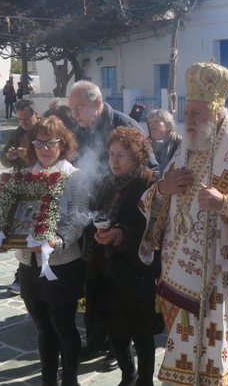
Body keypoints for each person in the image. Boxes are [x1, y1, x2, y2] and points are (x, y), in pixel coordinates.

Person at [139, 61, 228, 386]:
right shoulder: (183, 153)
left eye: (197, 114)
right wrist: (163, 189)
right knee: (183, 352)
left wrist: (224, 203)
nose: (189, 120)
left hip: (219, 283)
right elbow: (151, 203)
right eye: (187, 113)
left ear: (216, 116)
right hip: (179, 277)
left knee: (216, 359)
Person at [69, 80, 152, 365]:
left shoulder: (123, 124)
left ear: (96, 103)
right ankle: (96, 340)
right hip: (97, 209)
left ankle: (120, 350)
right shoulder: (80, 129)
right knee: (96, 287)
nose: (75, 114)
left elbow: (149, 166)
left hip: (126, 217)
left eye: (79, 107)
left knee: (120, 294)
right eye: (72, 108)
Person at [13, 116, 90, 386]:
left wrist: (56, 240)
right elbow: (14, 217)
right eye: (38, 143)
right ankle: (48, 380)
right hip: (29, 265)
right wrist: (2, 236)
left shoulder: (76, 177)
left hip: (62, 264)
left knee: (63, 326)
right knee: (43, 328)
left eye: (51, 142)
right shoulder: (24, 177)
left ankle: (69, 380)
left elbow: (78, 219)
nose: (44, 148)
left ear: (63, 145)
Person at [85, 127, 163, 386]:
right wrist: (98, 231)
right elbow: (93, 214)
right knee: (114, 330)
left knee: (140, 332)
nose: (114, 161)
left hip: (135, 270)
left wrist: (121, 234)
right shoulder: (105, 182)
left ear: (137, 156)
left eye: (121, 155)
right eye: (111, 154)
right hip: (106, 268)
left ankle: (145, 381)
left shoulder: (149, 183)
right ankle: (128, 375)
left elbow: (154, 228)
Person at [1, 98, 40, 294]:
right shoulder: (17, 134)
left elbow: (51, 158)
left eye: (26, 119)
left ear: (36, 115)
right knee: (22, 234)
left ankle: (33, 276)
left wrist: (29, 155)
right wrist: (9, 157)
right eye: (19, 119)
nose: (23, 123)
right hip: (21, 188)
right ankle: (21, 277)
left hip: (41, 188)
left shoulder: (44, 131)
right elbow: (4, 159)